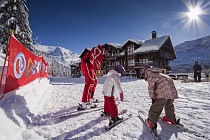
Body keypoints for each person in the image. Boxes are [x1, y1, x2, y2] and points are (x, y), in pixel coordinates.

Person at [140, 64, 179, 131]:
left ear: (145, 72)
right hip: (172, 92)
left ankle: (151, 122)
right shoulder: (158, 74)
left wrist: (153, 98)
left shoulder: (151, 75)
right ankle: (171, 118)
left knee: (155, 108)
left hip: (163, 93)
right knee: (169, 105)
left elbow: (151, 89)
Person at [78, 44, 109, 110]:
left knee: (95, 82)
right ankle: (85, 102)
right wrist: (90, 60)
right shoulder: (98, 50)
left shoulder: (101, 53)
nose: (106, 53)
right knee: (90, 82)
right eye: (106, 51)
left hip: (91, 67)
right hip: (87, 65)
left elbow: (96, 62)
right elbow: (92, 57)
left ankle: (90, 98)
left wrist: (98, 70)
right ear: (104, 49)